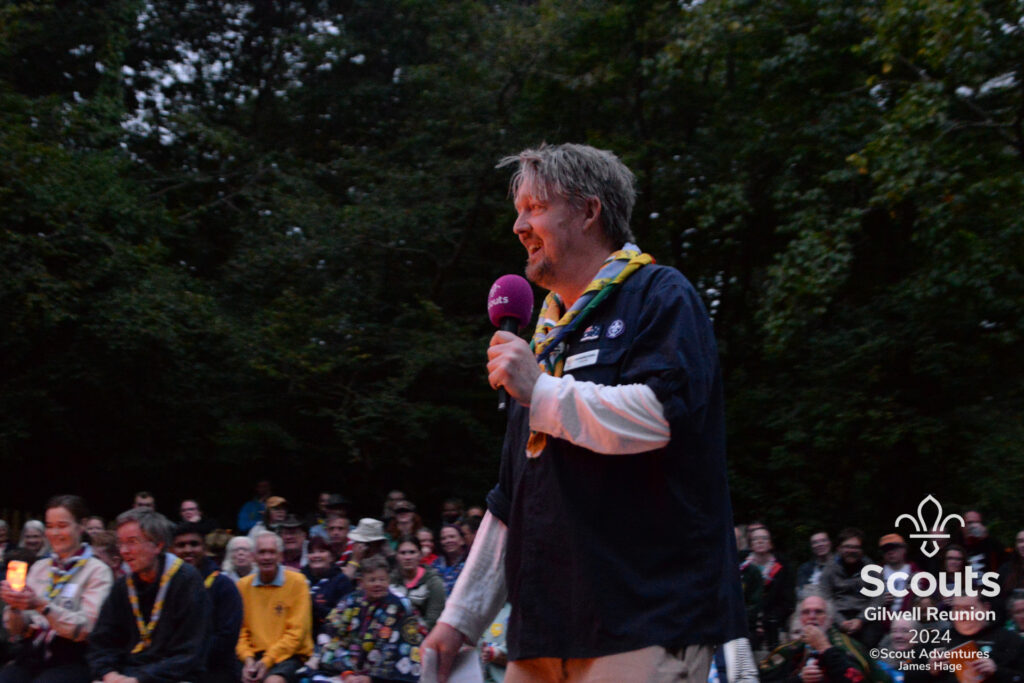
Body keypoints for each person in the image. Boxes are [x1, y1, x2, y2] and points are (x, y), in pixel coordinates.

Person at [425, 143, 747, 682]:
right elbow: (512, 500)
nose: (518, 226)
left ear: (588, 211)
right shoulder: (542, 342)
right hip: (539, 637)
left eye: (534, 208)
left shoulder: (660, 295)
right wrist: (460, 619)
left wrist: (541, 391)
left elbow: (659, 417)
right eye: (518, 211)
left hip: (645, 624)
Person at [86, 508, 210, 682]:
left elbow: (188, 654)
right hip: (126, 674)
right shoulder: (123, 586)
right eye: (120, 543)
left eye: (132, 542)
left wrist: (139, 679)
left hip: (172, 676)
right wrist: (109, 674)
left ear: (158, 545)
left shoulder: (187, 581)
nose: (123, 551)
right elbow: (102, 642)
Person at [0, 495, 113, 683]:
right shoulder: (40, 567)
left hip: (75, 657)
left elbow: (86, 629)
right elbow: (17, 630)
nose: (54, 533)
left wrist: (41, 606)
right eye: (50, 526)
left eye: (62, 526)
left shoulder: (97, 571)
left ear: (82, 525)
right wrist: (15, 606)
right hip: (32, 654)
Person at [316, 556, 427, 681]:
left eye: (382, 579)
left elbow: (402, 648)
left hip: (384, 676)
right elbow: (330, 632)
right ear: (361, 582)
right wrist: (347, 672)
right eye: (372, 580)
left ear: (389, 580)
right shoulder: (350, 601)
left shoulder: (400, 606)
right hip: (345, 668)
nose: (377, 584)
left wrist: (371, 679)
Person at [758, 588, 892, 683]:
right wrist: (799, 679)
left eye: (818, 612)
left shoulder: (851, 647)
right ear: (800, 619)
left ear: (829, 619)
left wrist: (824, 647)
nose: (812, 617)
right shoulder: (788, 650)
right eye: (806, 612)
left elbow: (857, 679)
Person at [235, 531, 313, 683]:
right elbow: (239, 630)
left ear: (280, 556)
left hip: (289, 655)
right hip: (252, 654)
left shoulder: (297, 582)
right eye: (262, 552)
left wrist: (267, 660)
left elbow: (297, 632)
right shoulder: (242, 586)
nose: (266, 557)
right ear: (253, 557)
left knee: (273, 681)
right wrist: (248, 659)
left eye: (272, 552)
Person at [172, 522, 243, 683]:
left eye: (194, 544)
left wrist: (187, 655)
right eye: (181, 545)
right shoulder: (165, 587)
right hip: (172, 669)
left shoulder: (223, 586)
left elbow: (226, 640)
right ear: (172, 550)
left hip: (214, 670)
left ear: (204, 548)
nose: (188, 550)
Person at [820, 528, 879, 645]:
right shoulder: (829, 569)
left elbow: (878, 599)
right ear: (839, 549)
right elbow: (826, 599)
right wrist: (840, 622)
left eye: (856, 547)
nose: (851, 550)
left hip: (865, 617)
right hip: (838, 617)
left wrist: (861, 619)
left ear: (862, 550)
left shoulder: (872, 568)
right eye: (847, 546)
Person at [741, 525, 794, 651]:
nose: (760, 541)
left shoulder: (782, 567)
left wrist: (766, 621)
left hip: (773, 620)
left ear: (770, 544)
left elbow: (787, 601)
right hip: (746, 620)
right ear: (750, 544)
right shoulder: (742, 567)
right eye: (755, 539)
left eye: (764, 538)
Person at [390, 535, 446, 630]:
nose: (407, 557)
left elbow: (433, 621)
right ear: (396, 556)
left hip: (422, 636)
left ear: (420, 555)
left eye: (412, 552)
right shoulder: (391, 581)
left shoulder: (434, 583)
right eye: (403, 553)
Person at [301, 535, 352, 636]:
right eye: (311, 552)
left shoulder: (341, 581)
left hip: (328, 638)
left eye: (321, 551)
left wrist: (312, 603)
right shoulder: (300, 578)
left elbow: (343, 616)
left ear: (332, 556)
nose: (316, 556)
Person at [429, 525, 466, 596]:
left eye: (452, 537)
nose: (448, 541)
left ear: (462, 540)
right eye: (443, 538)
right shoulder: (435, 565)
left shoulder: (470, 563)